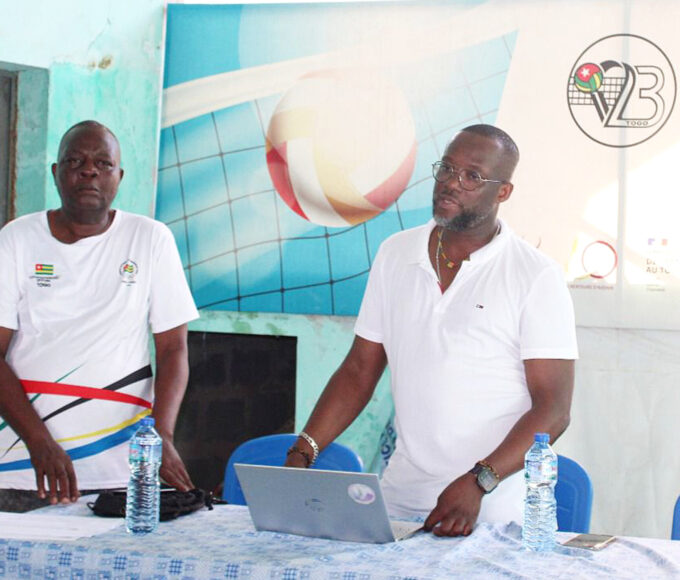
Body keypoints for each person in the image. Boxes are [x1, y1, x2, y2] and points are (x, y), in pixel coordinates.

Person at [285, 124, 578, 536]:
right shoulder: (395, 254)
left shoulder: (535, 276)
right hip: (400, 500)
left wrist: (480, 481)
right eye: (447, 168)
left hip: (491, 510)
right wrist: (303, 451)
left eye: (472, 176)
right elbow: (358, 371)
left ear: (503, 192)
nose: (451, 183)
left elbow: (553, 409)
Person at [0, 120, 199, 511]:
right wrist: (39, 442)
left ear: (119, 176)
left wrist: (161, 437)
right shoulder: (17, 238)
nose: (89, 171)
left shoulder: (150, 239)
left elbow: (173, 349)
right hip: (22, 466)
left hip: (120, 469)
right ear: (56, 173)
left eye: (103, 163)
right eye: (75, 161)